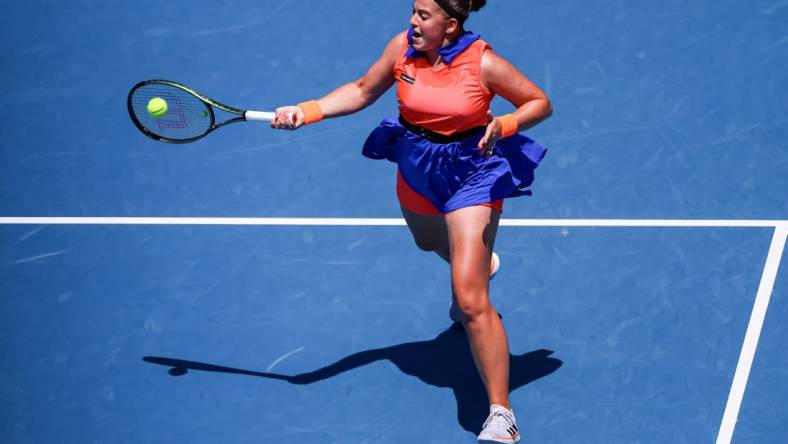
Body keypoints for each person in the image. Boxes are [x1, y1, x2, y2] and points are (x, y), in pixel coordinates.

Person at [271, 0, 552, 442]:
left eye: (424, 15)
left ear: (451, 24)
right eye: (414, 12)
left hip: (471, 173)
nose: (413, 22)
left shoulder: (484, 63)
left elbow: (540, 102)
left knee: (470, 300)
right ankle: (480, 263)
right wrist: (306, 111)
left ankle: (502, 414)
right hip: (417, 166)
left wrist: (507, 123)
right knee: (426, 241)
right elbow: (362, 89)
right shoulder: (402, 48)